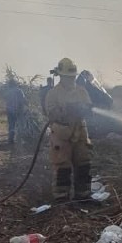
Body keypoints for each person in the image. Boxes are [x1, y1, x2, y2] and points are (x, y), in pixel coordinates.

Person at [43, 58, 93, 201]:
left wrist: (84, 110)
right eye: (68, 77)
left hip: (81, 132)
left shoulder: (82, 91)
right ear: (61, 76)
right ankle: (62, 198)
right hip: (61, 133)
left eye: (72, 77)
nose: (71, 80)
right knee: (62, 167)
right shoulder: (52, 94)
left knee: (84, 164)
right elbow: (51, 114)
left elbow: (89, 109)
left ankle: (83, 196)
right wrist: (67, 110)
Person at [1, 78, 27, 144]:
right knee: (19, 125)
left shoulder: (8, 91)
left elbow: (4, 98)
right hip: (18, 110)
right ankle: (19, 140)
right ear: (15, 84)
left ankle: (11, 139)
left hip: (10, 110)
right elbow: (23, 101)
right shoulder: (19, 91)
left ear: (10, 84)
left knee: (11, 125)